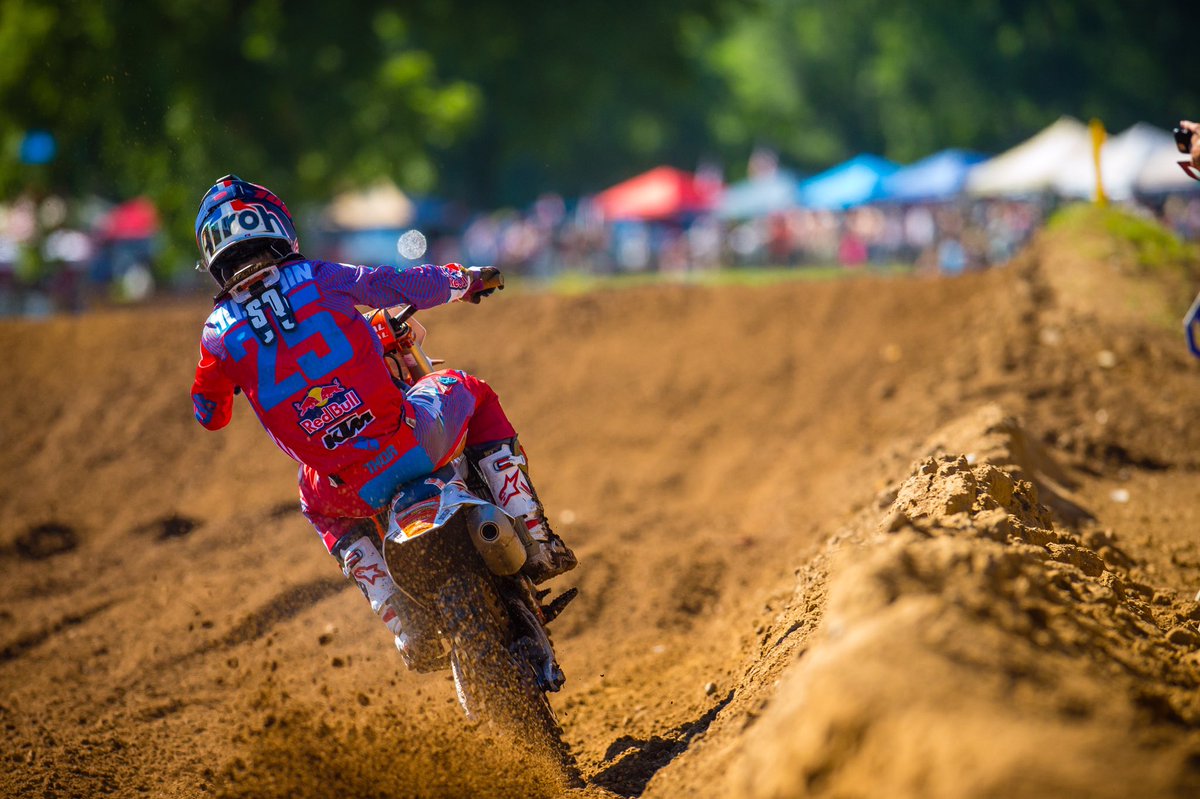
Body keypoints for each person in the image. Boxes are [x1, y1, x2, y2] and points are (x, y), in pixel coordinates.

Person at [189, 175, 576, 667]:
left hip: (349, 487)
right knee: (473, 392)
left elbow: (210, 415)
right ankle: (534, 536)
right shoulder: (317, 276)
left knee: (314, 502)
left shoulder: (216, 337)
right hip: (412, 439)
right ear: (277, 226)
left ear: (213, 254)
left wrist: (233, 374)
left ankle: (402, 617)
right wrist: (467, 280)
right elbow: (395, 283)